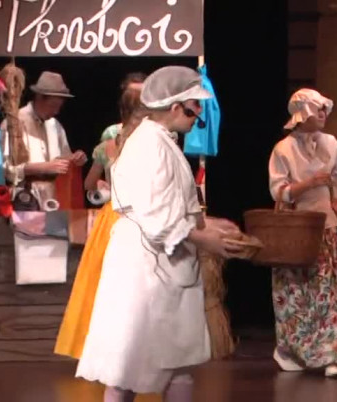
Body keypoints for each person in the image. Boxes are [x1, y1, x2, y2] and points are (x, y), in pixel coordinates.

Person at [75, 66, 244, 402]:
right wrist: (204, 238)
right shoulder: (150, 146)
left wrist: (209, 225)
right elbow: (155, 216)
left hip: (154, 262)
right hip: (148, 266)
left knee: (164, 362)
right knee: (133, 364)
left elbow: (170, 205)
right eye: (193, 108)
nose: (199, 115)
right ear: (174, 106)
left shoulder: (158, 141)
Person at [267, 88, 337, 377]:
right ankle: (290, 350)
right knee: (295, 294)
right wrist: (310, 183)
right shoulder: (283, 149)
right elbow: (278, 190)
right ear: (302, 114)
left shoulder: (330, 143)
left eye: (324, 109)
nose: (323, 114)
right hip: (295, 230)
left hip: (323, 226)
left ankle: (331, 354)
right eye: (318, 109)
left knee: (328, 292)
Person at [54, 89, 145, 361]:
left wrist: (104, 184)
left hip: (116, 216)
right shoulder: (143, 144)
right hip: (132, 216)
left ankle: (109, 347)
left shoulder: (110, 146)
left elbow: (88, 184)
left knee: (108, 285)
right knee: (127, 285)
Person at [0, 71, 88, 206]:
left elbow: (64, 159)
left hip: (54, 200)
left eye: (59, 107)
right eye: (53, 106)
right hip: (24, 199)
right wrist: (42, 168)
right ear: (40, 98)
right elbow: (5, 169)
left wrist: (75, 159)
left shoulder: (55, 125)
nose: (56, 112)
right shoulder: (15, 123)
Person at [99, 72, 148, 142]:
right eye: (131, 95)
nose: (138, 101)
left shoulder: (159, 131)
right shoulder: (112, 133)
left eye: (142, 95)